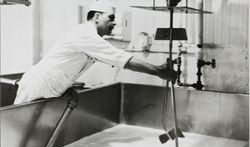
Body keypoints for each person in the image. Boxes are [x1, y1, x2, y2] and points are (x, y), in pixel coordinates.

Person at [14, 0, 177, 104]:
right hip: (37, 86)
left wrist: (67, 86)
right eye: (111, 18)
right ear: (97, 16)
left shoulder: (92, 38)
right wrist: (158, 71)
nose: (114, 23)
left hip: (51, 90)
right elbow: (122, 59)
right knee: (17, 135)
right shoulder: (86, 34)